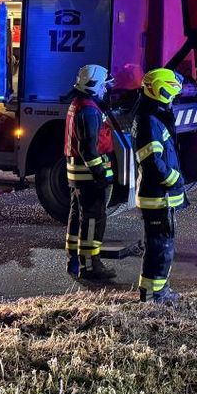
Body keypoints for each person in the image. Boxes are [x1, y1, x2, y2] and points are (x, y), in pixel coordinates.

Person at [132, 67, 185, 305]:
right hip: (158, 195)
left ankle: (156, 290)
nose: (174, 96)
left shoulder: (152, 117)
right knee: (159, 247)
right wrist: (174, 180)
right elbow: (153, 163)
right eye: (172, 90)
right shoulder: (149, 121)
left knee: (160, 247)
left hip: (160, 195)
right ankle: (154, 295)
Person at [64, 64, 116, 281]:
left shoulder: (80, 104)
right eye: (104, 86)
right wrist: (100, 173)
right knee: (93, 219)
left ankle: (74, 261)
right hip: (89, 177)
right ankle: (90, 266)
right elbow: (88, 148)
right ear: (94, 86)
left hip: (78, 174)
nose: (106, 90)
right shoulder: (89, 110)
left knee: (77, 218)